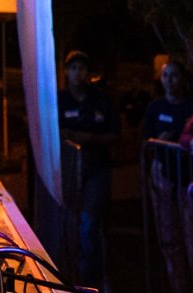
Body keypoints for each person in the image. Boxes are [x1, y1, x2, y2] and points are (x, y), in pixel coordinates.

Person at [58, 50, 119, 286]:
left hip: (97, 170)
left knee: (90, 223)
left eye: (82, 68)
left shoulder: (102, 100)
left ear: (88, 73)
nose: (77, 72)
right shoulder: (59, 100)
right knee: (72, 223)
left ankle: (92, 279)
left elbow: (115, 135)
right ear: (66, 72)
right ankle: (70, 275)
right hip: (69, 172)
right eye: (73, 68)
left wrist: (88, 137)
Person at [144, 59, 193, 144]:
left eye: (174, 75)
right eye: (165, 75)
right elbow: (146, 139)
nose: (168, 80)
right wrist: (158, 141)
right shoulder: (154, 107)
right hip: (161, 156)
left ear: (183, 78)